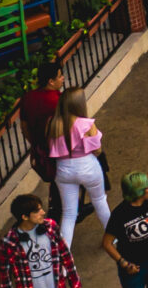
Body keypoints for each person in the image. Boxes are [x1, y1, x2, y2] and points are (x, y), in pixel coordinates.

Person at [42, 86, 107, 247]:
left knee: (69, 213)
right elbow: (97, 150)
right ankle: (115, 239)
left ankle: (64, 254)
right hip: (88, 167)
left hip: (63, 170)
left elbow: (48, 146)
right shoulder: (86, 124)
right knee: (100, 201)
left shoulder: (51, 123)